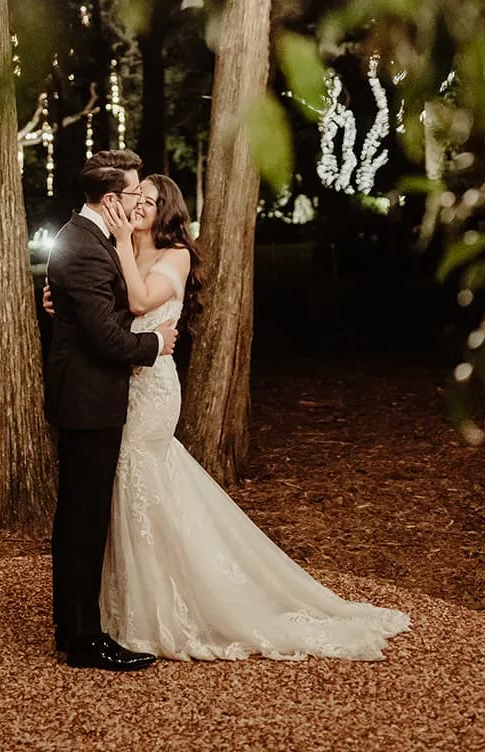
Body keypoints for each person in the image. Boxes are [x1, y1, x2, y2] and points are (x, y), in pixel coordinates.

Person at [96, 172, 412, 661]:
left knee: (140, 476)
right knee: (142, 488)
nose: (138, 206)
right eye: (136, 198)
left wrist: (119, 240)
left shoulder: (174, 255)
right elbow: (109, 314)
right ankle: (138, 599)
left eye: (150, 201)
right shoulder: (128, 253)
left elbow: (139, 302)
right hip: (125, 387)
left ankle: (179, 604)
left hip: (154, 393)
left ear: (167, 212)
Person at [44, 150, 179, 671]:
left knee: (80, 515)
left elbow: (95, 305)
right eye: (133, 192)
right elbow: (103, 336)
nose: (140, 199)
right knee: (84, 518)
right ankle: (84, 639)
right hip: (89, 398)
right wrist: (154, 346)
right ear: (111, 200)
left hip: (89, 394)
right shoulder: (84, 244)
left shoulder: (84, 238)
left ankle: (71, 624)